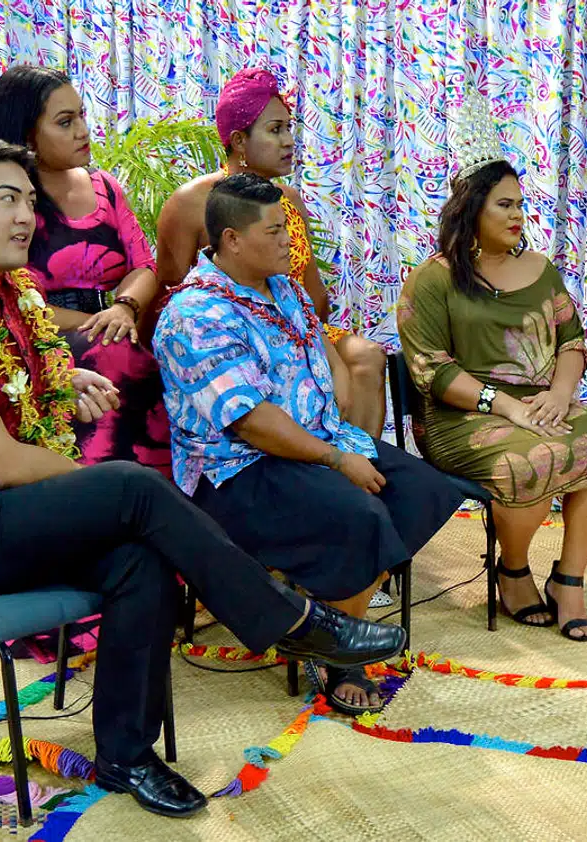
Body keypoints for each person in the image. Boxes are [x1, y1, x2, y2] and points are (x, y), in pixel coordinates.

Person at [0, 138, 407, 818]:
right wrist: (89, 487)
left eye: (30, 201)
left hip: (7, 516)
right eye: (8, 200)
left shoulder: (9, 294)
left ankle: (126, 753)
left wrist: (65, 379)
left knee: (141, 558)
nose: (27, 217)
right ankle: (291, 620)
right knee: (131, 488)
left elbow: (7, 390)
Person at [154, 175, 463, 713]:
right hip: (239, 471)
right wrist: (338, 459)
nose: (289, 241)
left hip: (315, 442)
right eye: (275, 230)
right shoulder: (194, 314)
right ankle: (339, 654)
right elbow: (252, 423)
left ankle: (331, 622)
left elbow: (328, 360)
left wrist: (340, 426)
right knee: (359, 515)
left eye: (289, 227)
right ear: (232, 240)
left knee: (422, 490)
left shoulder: (287, 289)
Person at [397, 95, 587, 642]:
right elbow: (431, 370)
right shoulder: (433, 279)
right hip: (460, 418)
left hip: (539, 406)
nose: (518, 215)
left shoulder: (542, 271)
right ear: (471, 208)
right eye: (504, 204)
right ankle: (513, 571)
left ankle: (568, 581)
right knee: (532, 461)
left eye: (521, 204)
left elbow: (571, 341)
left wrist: (561, 395)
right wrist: (508, 408)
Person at [155, 67, 387, 437]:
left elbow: (316, 295)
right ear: (239, 141)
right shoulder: (190, 203)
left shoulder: (289, 200)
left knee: (367, 356)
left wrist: (307, 340)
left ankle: (361, 458)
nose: (289, 141)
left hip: (300, 328)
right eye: (276, 130)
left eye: (289, 128)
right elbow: (168, 298)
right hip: (230, 339)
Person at [0, 65, 171, 474]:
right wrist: (98, 324)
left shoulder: (105, 187)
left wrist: (122, 308)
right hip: (42, 344)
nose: (84, 130)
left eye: (82, 115)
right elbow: (7, 297)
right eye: (66, 122)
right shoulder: (8, 204)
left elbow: (144, 266)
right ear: (26, 136)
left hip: (117, 330)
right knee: (112, 359)